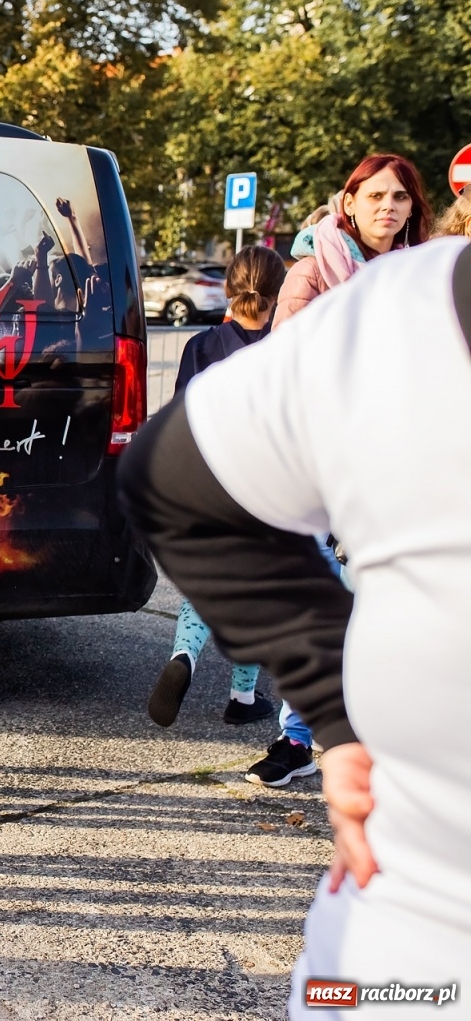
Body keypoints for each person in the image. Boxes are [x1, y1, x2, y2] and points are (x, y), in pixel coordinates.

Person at [119, 237, 471, 1015]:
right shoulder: (403, 301)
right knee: (254, 638)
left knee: (202, 611)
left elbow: (179, 466)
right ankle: (251, 700)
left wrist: (340, 707)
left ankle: (212, 669)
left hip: (407, 943)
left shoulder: (409, 303)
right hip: (413, 939)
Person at [146, 247, 283, 732]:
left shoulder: (200, 346)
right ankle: (243, 697)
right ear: (278, 293)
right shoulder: (284, 350)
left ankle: (185, 653)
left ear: (228, 289)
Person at [273, 154, 433, 329]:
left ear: (410, 209)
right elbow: (285, 350)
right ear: (349, 204)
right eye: (376, 196)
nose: (389, 206)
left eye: (400, 197)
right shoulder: (311, 272)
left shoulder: (416, 273)